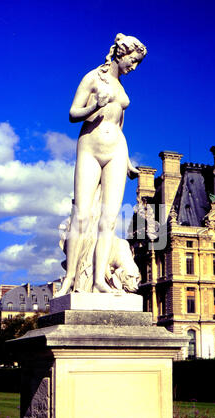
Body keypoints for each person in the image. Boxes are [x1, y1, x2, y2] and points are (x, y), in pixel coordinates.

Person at [56, 33, 147, 296]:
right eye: (133, 60)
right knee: (81, 216)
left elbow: (118, 124)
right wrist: (93, 105)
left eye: (138, 63)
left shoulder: (121, 87)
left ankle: (98, 280)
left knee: (109, 219)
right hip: (90, 148)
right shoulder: (93, 77)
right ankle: (69, 280)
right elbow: (73, 113)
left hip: (117, 150)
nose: (134, 66)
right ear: (122, 53)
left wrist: (128, 161)